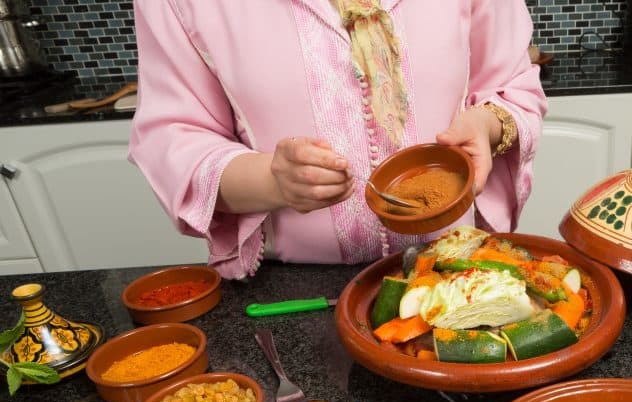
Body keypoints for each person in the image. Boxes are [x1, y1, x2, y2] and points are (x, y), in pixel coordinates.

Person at [129, 0, 547, 280]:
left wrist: (488, 125)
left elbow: (513, 84)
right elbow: (173, 138)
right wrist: (272, 181)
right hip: (296, 289)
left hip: (457, 268)